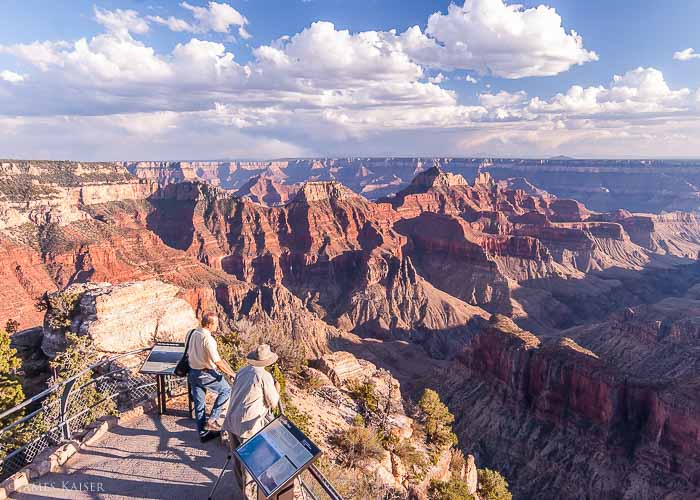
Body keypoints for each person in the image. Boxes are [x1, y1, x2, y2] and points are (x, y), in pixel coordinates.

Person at [223, 344, 281, 499]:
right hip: (249, 425)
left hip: (231, 420)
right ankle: (248, 496)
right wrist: (277, 389)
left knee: (236, 459)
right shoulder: (264, 376)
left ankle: (241, 489)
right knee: (250, 464)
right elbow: (273, 402)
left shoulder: (242, 371)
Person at [187, 311, 236, 442]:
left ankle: (203, 435)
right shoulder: (208, 339)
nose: (217, 326)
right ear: (209, 324)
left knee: (199, 404)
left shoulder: (192, 333)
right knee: (226, 390)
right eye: (216, 323)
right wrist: (232, 374)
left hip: (192, 372)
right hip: (205, 373)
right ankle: (213, 420)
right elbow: (218, 362)